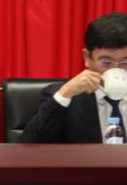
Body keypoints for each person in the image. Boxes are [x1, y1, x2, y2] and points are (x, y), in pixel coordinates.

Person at [21, 13, 127, 143]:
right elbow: (30, 144)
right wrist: (65, 94)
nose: (116, 69)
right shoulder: (66, 98)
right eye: (106, 63)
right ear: (87, 58)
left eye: (125, 63)